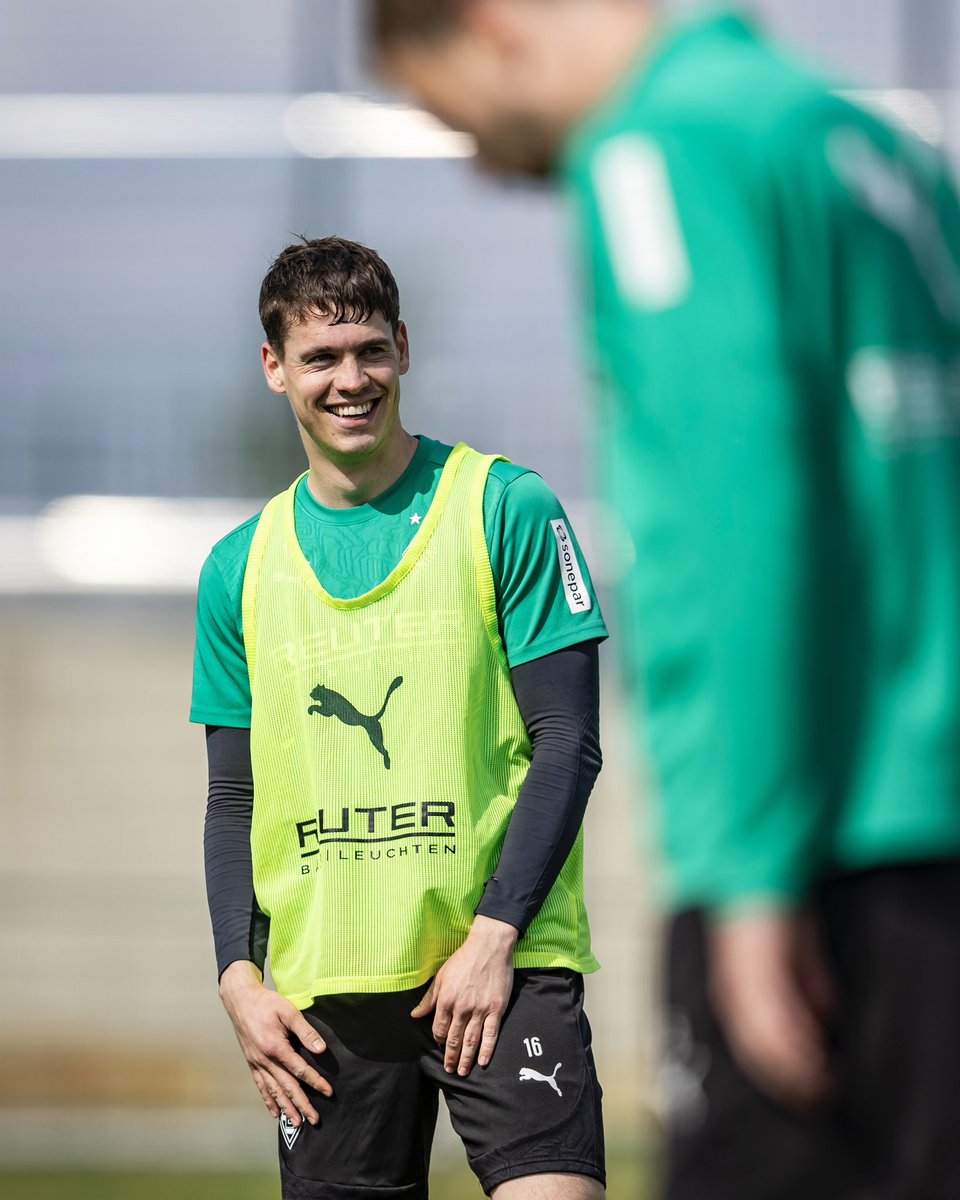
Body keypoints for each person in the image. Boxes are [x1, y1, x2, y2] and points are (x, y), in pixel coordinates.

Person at [371, 3, 960, 1198]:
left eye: (454, 119)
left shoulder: (656, 150)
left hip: (831, 845)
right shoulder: (860, 141)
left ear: (491, 28)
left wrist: (749, 876)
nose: (483, 167)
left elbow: (738, 512)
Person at [190, 236, 609, 1199]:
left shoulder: (507, 507)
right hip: (323, 992)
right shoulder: (237, 569)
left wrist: (496, 934)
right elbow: (231, 800)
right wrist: (237, 979)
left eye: (369, 350)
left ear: (404, 350)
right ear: (275, 368)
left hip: (497, 968)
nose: (351, 379)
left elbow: (569, 743)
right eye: (321, 357)